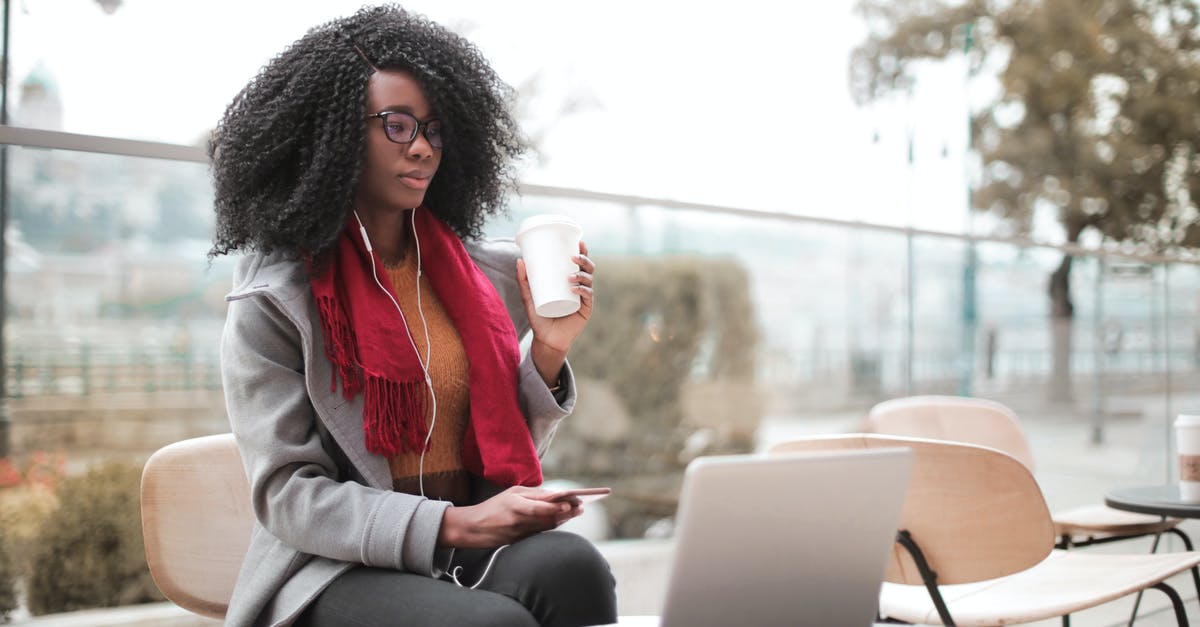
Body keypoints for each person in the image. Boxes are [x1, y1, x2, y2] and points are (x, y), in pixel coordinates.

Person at [208, 5, 615, 626]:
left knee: (573, 567)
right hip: (334, 568)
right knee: (492, 624)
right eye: (397, 126)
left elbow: (499, 446)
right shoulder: (274, 297)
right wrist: (453, 525)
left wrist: (548, 350)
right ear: (336, 134)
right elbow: (289, 497)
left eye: (433, 129)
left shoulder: (479, 277)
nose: (423, 148)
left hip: (458, 544)